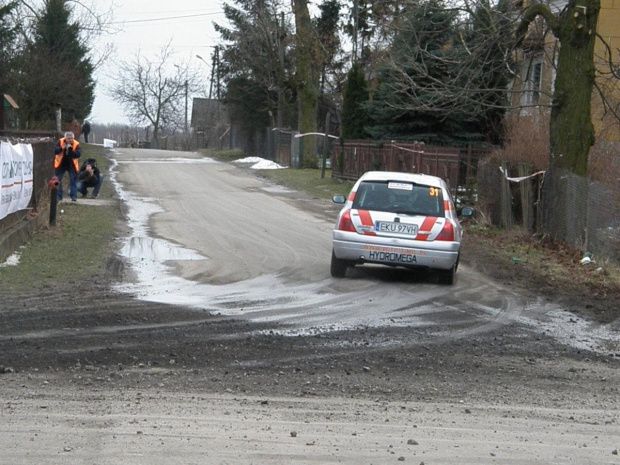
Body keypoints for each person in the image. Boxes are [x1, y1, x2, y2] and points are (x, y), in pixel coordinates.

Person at [54, 131, 81, 202]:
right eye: (69, 138)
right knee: (58, 180)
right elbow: (55, 151)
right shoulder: (60, 142)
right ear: (65, 138)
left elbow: (78, 154)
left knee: (73, 180)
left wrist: (70, 151)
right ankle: (59, 196)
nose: (70, 140)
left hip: (71, 165)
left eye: (72, 138)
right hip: (60, 164)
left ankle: (74, 196)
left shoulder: (76, 144)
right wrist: (61, 148)